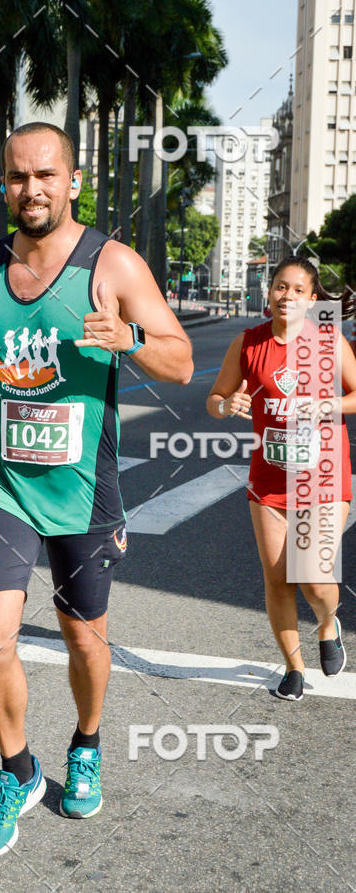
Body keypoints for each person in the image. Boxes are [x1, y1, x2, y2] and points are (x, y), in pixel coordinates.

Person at [0, 121, 193, 858]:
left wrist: (130, 341)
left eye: (46, 175)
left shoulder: (111, 264)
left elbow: (178, 361)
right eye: (18, 177)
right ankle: (18, 770)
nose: (32, 188)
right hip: (1, 485)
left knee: (83, 637)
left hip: (82, 491)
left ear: (73, 182)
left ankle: (85, 741)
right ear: (4, 185)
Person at [207, 256, 356, 701]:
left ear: (312, 300)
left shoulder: (328, 341)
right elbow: (215, 397)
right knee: (277, 578)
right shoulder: (249, 343)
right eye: (279, 286)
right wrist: (225, 405)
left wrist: (328, 406)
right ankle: (293, 666)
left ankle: (328, 625)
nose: (286, 295)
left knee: (313, 577)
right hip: (269, 478)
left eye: (297, 289)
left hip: (324, 476)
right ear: (268, 292)